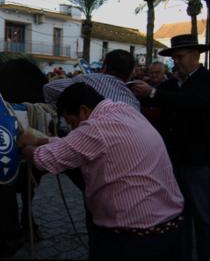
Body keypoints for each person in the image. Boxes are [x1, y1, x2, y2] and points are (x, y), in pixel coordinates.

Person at [18, 82, 184, 260]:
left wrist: (24, 146)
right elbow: (72, 143)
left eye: (73, 122)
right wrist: (40, 140)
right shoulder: (124, 110)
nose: (74, 129)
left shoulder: (95, 128)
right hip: (169, 227)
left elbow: (43, 159)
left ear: (83, 110)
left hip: (131, 239)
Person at [131, 34, 209, 261]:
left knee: (204, 218)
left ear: (196, 55)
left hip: (199, 162)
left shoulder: (205, 80)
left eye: (180, 57)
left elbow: (194, 103)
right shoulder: (172, 83)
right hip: (174, 161)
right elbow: (153, 100)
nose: (177, 62)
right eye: (174, 58)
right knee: (180, 216)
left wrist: (154, 93)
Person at [44, 49, 140, 111]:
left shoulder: (88, 79)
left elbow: (49, 88)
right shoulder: (135, 104)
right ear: (130, 74)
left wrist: (66, 114)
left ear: (104, 68)